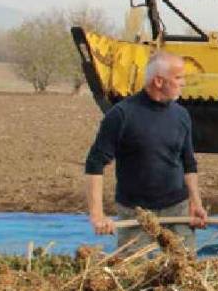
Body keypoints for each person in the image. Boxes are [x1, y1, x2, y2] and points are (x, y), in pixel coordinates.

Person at [84, 51, 207, 252]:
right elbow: (94, 164)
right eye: (178, 78)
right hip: (135, 213)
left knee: (185, 267)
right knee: (133, 269)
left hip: (177, 210)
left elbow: (188, 163)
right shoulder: (122, 115)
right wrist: (97, 215)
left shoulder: (181, 115)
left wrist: (195, 203)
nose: (183, 83)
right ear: (158, 81)